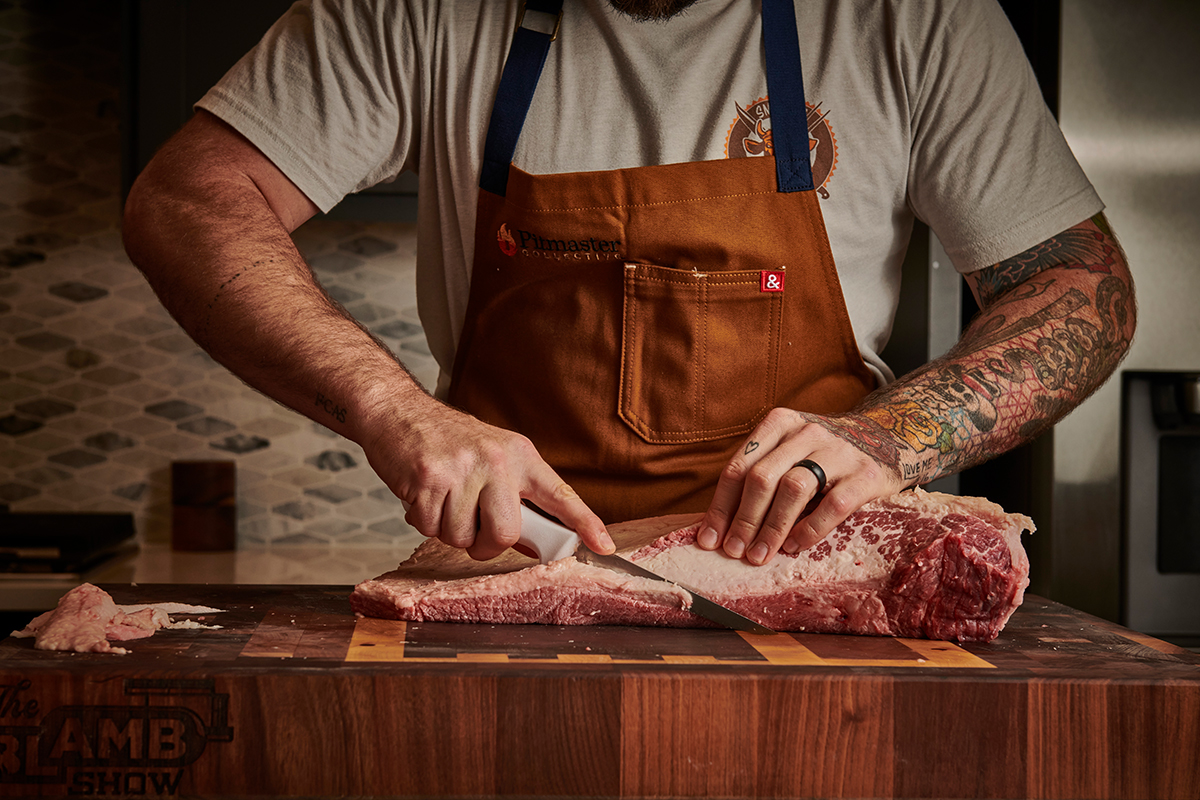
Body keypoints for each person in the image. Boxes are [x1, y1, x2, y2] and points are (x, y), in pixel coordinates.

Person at [122, 0, 1135, 568]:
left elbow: (1081, 284)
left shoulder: (915, 18)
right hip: (513, 577)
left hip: (819, 579)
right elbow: (187, 199)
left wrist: (894, 435)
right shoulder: (409, 8)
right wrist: (396, 409)